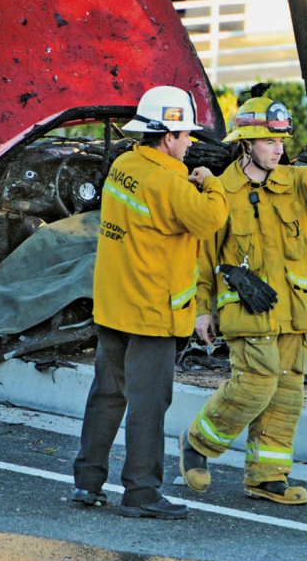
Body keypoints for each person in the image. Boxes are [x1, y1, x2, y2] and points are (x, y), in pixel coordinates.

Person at [178, 95, 307, 505]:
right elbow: (202, 258)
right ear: (246, 144)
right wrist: (202, 310)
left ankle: (267, 477)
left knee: (287, 395)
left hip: (296, 314)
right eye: (268, 142)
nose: (279, 149)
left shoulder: (294, 182)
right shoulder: (221, 192)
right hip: (248, 313)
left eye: (281, 142)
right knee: (255, 386)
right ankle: (198, 444)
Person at [72, 85, 229, 519]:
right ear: (167, 137)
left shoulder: (125, 165)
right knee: (149, 405)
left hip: (114, 304)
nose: (190, 143)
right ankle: (141, 492)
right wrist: (211, 184)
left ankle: (87, 481)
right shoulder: (171, 182)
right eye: (185, 136)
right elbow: (212, 220)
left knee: (107, 394)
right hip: (153, 313)